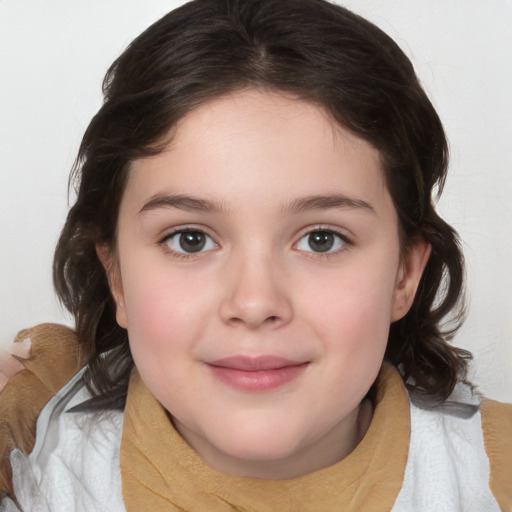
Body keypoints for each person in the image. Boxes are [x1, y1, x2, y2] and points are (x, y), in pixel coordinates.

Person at [0, 0, 510, 510]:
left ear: (404, 275)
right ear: (116, 277)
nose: (254, 302)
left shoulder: (495, 472)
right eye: (190, 239)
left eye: (321, 239)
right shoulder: (32, 446)